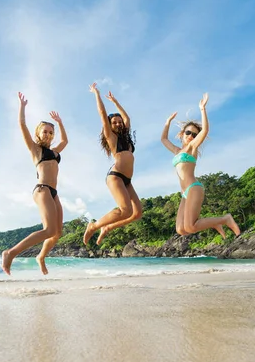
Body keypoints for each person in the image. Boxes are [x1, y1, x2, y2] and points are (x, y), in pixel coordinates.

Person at [2, 92, 68, 275]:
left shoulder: (55, 152)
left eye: (50, 132)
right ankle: (10, 253)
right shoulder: (36, 149)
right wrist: (22, 107)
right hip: (42, 190)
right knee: (48, 229)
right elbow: (22, 125)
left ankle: (40, 257)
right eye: (44, 131)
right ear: (38, 133)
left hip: (53, 192)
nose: (47, 134)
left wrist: (60, 123)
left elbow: (65, 141)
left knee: (57, 233)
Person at [161, 93, 240, 239]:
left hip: (193, 188)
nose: (191, 136)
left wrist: (202, 109)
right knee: (181, 229)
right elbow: (163, 139)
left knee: (191, 226)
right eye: (188, 132)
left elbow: (205, 131)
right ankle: (214, 223)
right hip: (184, 193)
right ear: (182, 133)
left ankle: (225, 219)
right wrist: (167, 122)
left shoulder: (192, 147)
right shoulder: (177, 151)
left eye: (194, 134)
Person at [83, 82, 142, 245]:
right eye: (114, 122)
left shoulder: (126, 138)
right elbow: (102, 113)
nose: (118, 123)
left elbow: (127, 118)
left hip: (127, 180)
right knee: (125, 210)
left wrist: (115, 102)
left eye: (119, 121)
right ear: (109, 126)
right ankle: (94, 226)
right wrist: (96, 93)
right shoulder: (112, 138)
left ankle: (107, 228)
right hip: (115, 177)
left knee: (137, 214)